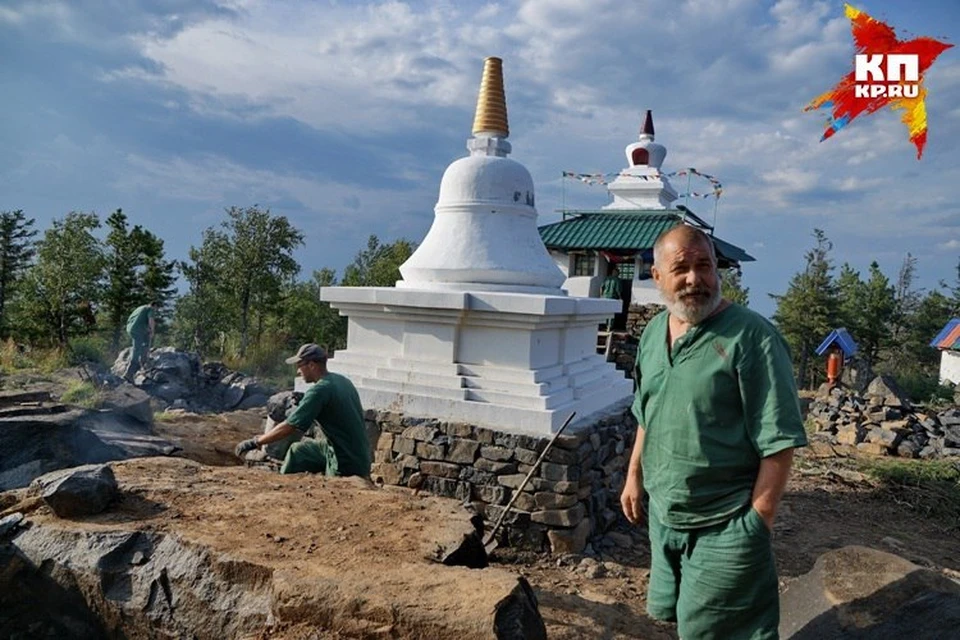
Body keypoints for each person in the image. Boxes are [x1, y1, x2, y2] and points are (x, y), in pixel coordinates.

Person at [619, 225, 807, 640]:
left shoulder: (752, 338)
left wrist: (757, 523)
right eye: (681, 268)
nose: (694, 279)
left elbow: (779, 440)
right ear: (657, 277)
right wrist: (634, 476)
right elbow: (648, 411)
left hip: (726, 524)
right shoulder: (654, 333)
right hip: (665, 517)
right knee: (682, 621)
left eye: (704, 265)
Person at [235, 343, 372, 478]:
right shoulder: (341, 380)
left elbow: (290, 426)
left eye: (300, 366)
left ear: (312, 365)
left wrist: (257, 442)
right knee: (298, 451)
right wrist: (305, 402)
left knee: (333, 489)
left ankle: (291, 492)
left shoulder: (319, 390)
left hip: (345, 460)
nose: (298, 371)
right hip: (359, 454)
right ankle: (284, 482)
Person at [123, 301, 160, 381]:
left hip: (131, 328)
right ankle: (129, 373)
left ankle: (143, 362)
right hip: (138, 330)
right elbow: (151, 320)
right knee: (137, 349)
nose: (156, 311)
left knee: (144, 344)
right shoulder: (150, 309)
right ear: (155, 306)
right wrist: (152, 331)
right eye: (157, 309)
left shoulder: (141, 307)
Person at [601, 265, 622, 330]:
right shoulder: (617, 280)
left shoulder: (607, 278)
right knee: (611, 313)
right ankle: (609, 326)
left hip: (604, 297)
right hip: (612, 298)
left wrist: (601, 295)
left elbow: (601, 287)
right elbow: (618, 290)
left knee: (606, 312)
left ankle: (605, 325)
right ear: (616, 273)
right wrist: (620, 298)